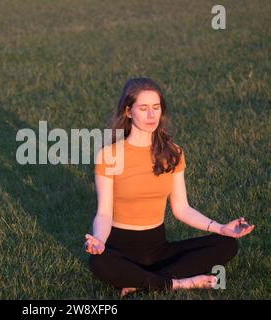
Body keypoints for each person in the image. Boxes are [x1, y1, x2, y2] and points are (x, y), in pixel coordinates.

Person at [85, 78, 255, 297]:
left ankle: (142, 281)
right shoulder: (109, 155)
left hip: (158, 248)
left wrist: (221, 228)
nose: (151, 115)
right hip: (122, 250)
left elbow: (182, 209)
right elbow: (104, 213)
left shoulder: (173, 152)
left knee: (227, 245)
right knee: (98, 262)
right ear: (128, 111)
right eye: (143, 108)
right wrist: (98, 240)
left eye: (156, 108)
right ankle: (180, 283)